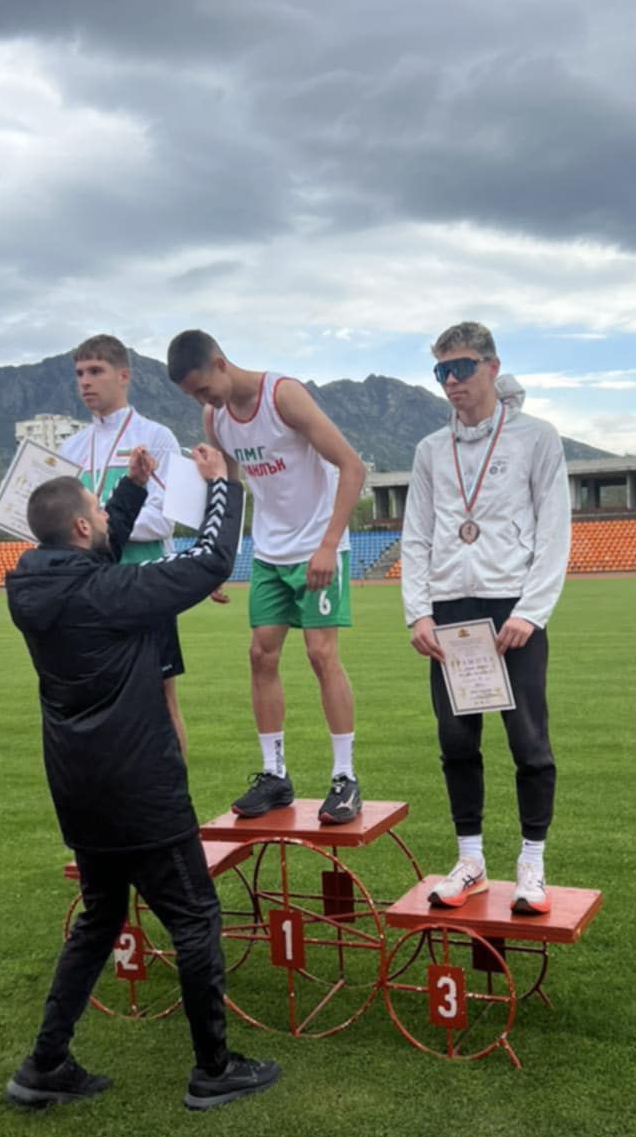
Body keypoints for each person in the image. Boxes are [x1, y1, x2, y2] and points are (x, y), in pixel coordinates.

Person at [3, 442, 281, 1112]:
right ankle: (213, 1068)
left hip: (80, 789)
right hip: (139, 786)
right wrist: (222, 484)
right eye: (99, 511)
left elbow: (95, 555)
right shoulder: (107, 593)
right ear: (80, 527)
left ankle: (45, 1063)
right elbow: (211, 561)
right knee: (195, 917)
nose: (106, 519)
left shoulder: (40, 586)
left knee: (100, 918)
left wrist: (126, 492)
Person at [400, 321, 571, 915]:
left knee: (528, 742)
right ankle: (470, 860)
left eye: (462, 367)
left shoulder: (536, 438)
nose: (451, 381)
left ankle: (532, 864)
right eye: (441, 371)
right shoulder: (429, 449)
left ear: (492, 367)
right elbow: (416, 534)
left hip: (512, 609)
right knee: (456, 740)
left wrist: (532, 611)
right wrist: (418, 613)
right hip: (451, 612)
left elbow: (554, 530)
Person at [166, 329, 367, 825]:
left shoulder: (283, 396)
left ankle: (345, 777)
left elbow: (352, 467)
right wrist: (216, 557)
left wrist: (327, 545)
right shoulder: (215, 417)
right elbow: (231, 487)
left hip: (317, 546)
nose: (202, 400)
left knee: (321, 655)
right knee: (260, 655)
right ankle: (275, 774)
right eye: (192, 396)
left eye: (202, 388)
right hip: (270, 551)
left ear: (220, 362)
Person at [61, 334, 190, 757]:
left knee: (162, 699)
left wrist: (96, 527)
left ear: (123, 375)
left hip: (145, 584)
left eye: (95, 371)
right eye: (80, 373)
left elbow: (162, 519)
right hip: (91, 591)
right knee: (99, 701)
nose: (85, 381)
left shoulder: (156, 437)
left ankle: (175, 796)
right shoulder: (70, 447)